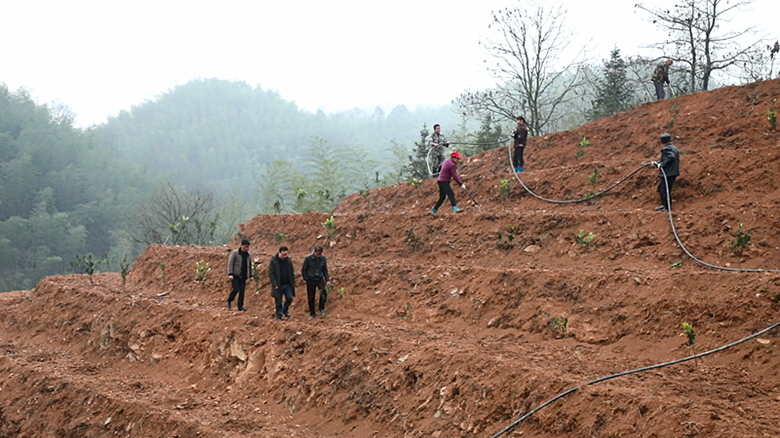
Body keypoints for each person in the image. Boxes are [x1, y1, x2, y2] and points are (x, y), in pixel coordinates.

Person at [652, 133, 680, 212]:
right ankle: (664, 205)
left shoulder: (666, 148)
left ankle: (667, 208)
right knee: (661, 189)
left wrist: (662, 164)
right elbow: (668, 158)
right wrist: (658, 163)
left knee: (665, 191)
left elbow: (671, 157)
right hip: (672, 173)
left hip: (668, 174)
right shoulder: (673, 147)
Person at [301, 246, 331, 319]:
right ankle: (312, 313)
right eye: (317, 254)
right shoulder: (308, 259)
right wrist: (306, 278)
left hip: (319, 278)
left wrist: (327, 280)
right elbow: (304, 269)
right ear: (314, 252)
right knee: (311, 296)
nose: (318, 256)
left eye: (320, 254)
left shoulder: (323, 259)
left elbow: (325, 270)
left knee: (323, 292)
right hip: (310, 279)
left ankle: (321, 308)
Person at [268, 246, 295, 321]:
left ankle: (285, 310)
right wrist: (275, 284)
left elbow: (291, 272)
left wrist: (292, 282)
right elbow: (271, 274)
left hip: (287, 284)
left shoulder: (288, 260)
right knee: (278, 301)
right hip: (278, 285)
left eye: (286, 255)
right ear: (279, 253)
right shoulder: (274, 261)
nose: (284, 256)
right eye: (283, 255)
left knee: (289, 298)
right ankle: (279, 316)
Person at [227, 239, 253, 311]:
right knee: (236, 289)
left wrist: (251, 275)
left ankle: (240, 306)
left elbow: (250, 265)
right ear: (241, 245)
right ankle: (229, 300)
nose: (246, 248)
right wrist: (230, 273)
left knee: (242, 291)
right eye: (245, 246)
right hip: (235, 275)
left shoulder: (249, 254)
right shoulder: (235, 253)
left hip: (244, 276)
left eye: (248, 247)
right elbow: (230, 264)